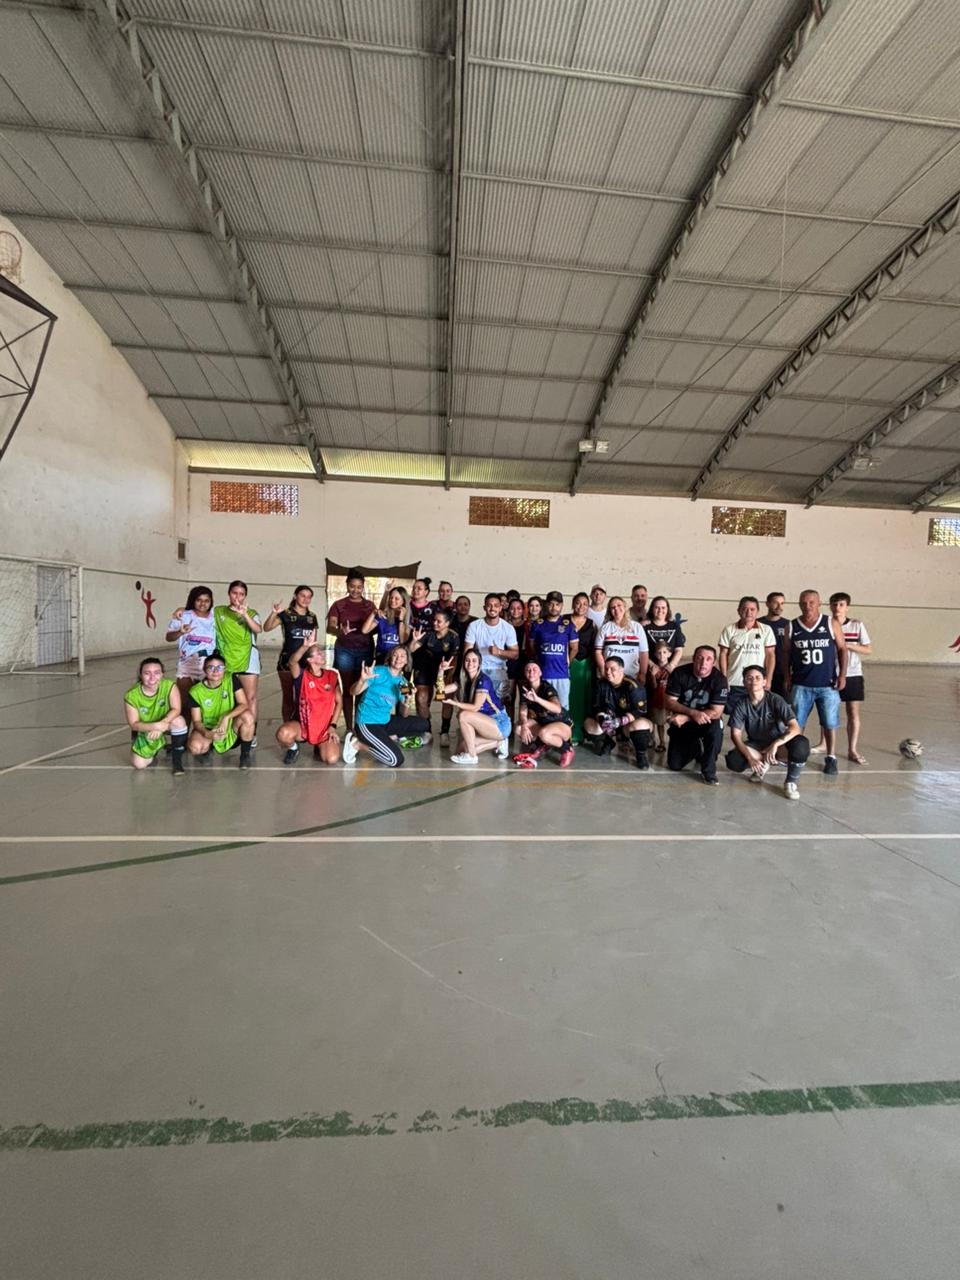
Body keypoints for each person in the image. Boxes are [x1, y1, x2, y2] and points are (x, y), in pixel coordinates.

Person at [784, 589, 847, 776]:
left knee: (829, 723)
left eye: (811, 602)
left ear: (819, 603)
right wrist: (787, 676)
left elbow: (842, 649)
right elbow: (786, 653)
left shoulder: (830, 623)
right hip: (801, 684)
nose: (807, 606)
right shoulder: (792, 626)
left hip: (827, 684)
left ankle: (831, 757)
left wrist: (842, 675)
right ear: (799, 604)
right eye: (803, 603)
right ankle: (796, 755)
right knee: (797, 723)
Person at [726, 665, 809, 800]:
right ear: (744, 682)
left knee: (801, 744)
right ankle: (763, 764)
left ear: (764, 682)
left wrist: (775, 744)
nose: (753, 681)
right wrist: (750, 758)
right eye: (749, 678)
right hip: (757, 745)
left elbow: (795, 727)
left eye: (757, 678)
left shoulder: (775, 699)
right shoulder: (741, 704)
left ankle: (790, 782)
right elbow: (735, 735)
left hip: (779, 744)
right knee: (733, 761)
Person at [343, 647, 430, 768]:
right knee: (395, 760)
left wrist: (407, 701)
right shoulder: (378, 672)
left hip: (385, 721)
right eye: (395, 655)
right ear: (390, 658)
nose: (398, 659)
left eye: (402, 656)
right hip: (367, 722)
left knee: (423, 724)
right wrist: (362, 680)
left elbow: (404, 714)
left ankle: (387, 737)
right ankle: (357, 744)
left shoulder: (404, 682)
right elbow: (353, 692)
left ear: (406, 661)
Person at [664, 645, 729, 785]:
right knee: (675, 765)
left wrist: (688, 716)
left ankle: (709, 772)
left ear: (714, 662)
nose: (703, 663)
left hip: (707, 721)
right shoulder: (679, 673)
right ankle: (696, 747)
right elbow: (669, 702)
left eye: (708, 659)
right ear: (693, 659)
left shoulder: (719, 679)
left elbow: (716, 712)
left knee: (716, 728)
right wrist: (692, 713)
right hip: (683, 722)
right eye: (700, 658)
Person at [275, 633, 342, 766]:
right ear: (310, 660)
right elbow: (292, 662)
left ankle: (319, 745)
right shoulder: (302, 676)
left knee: (331, 759)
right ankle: (293, 749)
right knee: (283, 734)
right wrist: (304, 647)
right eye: (318, 653)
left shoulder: (332, 675)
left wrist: (333, 726)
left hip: (324, 728)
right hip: (303, 727)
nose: (322, 654)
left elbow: (339, 703)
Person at [439, 648, 511, 765]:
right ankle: (499, 743)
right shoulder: (463, 680)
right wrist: (441, 671)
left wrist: (455, 703)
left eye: (474, 660)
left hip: (499, 723)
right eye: (467, 660)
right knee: (461, 750)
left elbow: (475, 708)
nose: (470, 663)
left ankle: (472, 756)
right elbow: (440, 692)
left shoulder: (483, 680)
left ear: (479, 663)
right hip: (484, 723)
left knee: (463, 715)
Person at [326, 569, 376, 732]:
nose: (355, 590)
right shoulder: (338, 605)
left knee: (361, 689)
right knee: (348, 689)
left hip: (365, 651)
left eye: (359, 587)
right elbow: (330, 627)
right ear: (347, 586)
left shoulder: (369, 606)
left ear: (363, 587)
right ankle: (349, 728)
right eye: (352, 586)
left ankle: (359, 726)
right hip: (345, 651)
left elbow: (376, 626)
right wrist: (340, 631)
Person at [213, 580, 263, 739]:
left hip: (248, 660)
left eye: (241, 594)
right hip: (226, 659)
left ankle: (251, 734)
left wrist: (245, 615)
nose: (237, 597)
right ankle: (226, 730)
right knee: (227, 698)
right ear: (229, 593)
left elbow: (258, 629)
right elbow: (200, 614)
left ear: (245, 596)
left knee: (250, 698)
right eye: (234, 593)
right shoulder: (218, 611)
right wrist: (181, 610)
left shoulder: (252, 613)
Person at [583, 655, 653, 769]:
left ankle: (641, 755)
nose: (608, 672)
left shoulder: (633, 686)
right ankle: (608, 742)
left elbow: (640, 710)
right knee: (588, 724)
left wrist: (621, 721)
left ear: (621, 670)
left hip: (627, 724)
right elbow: (596, 706)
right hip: (610, 722)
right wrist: (602, 721)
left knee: (642, 724)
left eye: (612, 669)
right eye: (606, 669)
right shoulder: (600, 684)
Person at [187, 652, 255, 768]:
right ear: (204, 669)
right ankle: (207, 750)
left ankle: (245, 754)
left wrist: (226, 717)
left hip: (229, 725)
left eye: (220, 667)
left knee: (248, 716)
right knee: (195, 747)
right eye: (211, 667)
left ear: (225, 669)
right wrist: (208, 734)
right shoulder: (195, 691)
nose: (216, 671)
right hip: (209, 727)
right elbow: (197, 721)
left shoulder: (230, 679)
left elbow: (244, 704)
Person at [262, 585, 318, 722]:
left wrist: (316, 660)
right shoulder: (286, 614)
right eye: (302, 595)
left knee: (304, 696)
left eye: (309, 597)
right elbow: (267, 628)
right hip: (287, 661)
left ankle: (303, 725)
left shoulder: (312, 617)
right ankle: (287, 726)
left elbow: (314, 641)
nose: (305, 599)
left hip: (306, 662)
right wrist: (274, 613)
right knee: (288, 696)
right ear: (295, 596)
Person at [124, 657, 188, 774]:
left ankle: (177, 762)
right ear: (140, 675)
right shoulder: (132, 695)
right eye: (147, 673)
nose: (152, 677)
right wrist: (155, 727)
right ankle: (152, 746)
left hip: (166, 722)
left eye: (157, 673)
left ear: (162, 674)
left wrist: (161, 725)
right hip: (146, 727)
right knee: (139, 764)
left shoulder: (169, 686)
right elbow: (134, 724)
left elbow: (176, 709)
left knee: (179, 721)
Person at [830, 591, 871, 765]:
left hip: (853, 673)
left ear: (847, 607)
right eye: (834, 604)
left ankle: (852, 749)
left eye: (841, 604)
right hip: (831, 674)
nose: (837, 607)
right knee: (829, 712)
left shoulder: (856, 625)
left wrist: (846, 646)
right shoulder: (826, 624)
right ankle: (825, 744)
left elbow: (868, 649)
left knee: (852, 712)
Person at [717, 596, 776, 711]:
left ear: (757, 611)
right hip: (734, 682)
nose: (749, 612)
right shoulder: (729, 629)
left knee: (756, 716)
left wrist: (768, 680)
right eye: (745, 609)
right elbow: (723, 654)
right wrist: (724, 679)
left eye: (752, 609)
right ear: (739, 611)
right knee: (734, 716)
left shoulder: (766, 629)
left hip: (757, 682)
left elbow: (770, 655)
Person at [513, 661, 575, 768]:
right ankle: (543, 744)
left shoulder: (547, 688)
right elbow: (523, 710)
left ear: (540, 673)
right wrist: (524, 724)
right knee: (519, 728)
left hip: (562, 725)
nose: (531, 672)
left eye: (534, 669)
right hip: (543, 722)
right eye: (528, 670)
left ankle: (567, 749)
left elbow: (557, 709)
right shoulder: (525, 688)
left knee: (544, 734)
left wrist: (537, 699)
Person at [165, 585, 216, 707]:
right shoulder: (184, 616)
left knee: (206, 701)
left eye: (206, 600)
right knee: (183, 700)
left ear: (211, 602)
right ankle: (183, 720)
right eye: (199, 600)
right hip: (187, 661)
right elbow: (168, 637)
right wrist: (180, 632)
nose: (203, 604)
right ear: (193, 600)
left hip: (208, 662)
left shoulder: (215, 617)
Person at [409, 606, 460, 729]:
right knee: (421, 698)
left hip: (443, 670)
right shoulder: (428, 634)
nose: (435, 623)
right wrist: (414, 640)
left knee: (446, 698)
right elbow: (411, 649)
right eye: (434, 620)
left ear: (447, 623)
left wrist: (449, 676)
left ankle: (444, 730)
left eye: (439, 621)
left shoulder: (453, 637)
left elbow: (454, 659)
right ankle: (427, 729)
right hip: (425, 668)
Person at [465, 593, 519, 704]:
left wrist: (499, 652)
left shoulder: (508, 628)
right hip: (478, 670)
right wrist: (470, 671)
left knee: (500, 706)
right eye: (489, 605)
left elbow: (515, 654)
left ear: (500, 608)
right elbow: (466, 652)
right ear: (484, 607)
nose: (492, 608)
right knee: (476, 706)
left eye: (496, 605)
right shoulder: (474, 626)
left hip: (499, 670)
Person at [529, 590, 579, 710]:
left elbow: (574, 648)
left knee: (562, 708)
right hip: (542, 675)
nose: (554, 607)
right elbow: (532, 646)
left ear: (562, 606)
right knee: (541, 708)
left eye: (557, 604)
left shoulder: (568, 625)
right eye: (551, 604)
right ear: (546, 605)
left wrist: (567, 663)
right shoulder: (537, 624)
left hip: (561, 675)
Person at [444, 595, 475, 746]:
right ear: (455, 606)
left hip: (469, 666)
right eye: (460, 604)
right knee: (447, 698)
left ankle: (467, 730)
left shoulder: (475, 623)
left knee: (467, 700)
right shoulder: (450, 622)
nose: (463, 607)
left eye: (466, 604)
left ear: (469, 606)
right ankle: (444, 731)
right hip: (451, 665)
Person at [595, 596, 649, 682]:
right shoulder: (605, 628)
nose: (616, 609)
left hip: (632, 676)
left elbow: (644, 653)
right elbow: (598, 652)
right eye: (613, 607)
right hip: (610, 677)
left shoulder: (637, 627)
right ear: (610, 611)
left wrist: (643, 673)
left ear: (625, 607)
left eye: (619, 605)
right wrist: (602, 670)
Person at [567, 591, 596, 745]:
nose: (581, 606)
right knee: (567, 698)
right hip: (564, 665)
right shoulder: (564, 620)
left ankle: (579, 732)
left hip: (584, 666)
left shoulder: (592, 624)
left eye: (585, 604)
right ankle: (566, 731)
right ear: (573, 604)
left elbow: (594, 647)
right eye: (578, 603)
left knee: (582, 700)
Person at [363, 584, 409, 664]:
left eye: (397, 599)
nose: (393, 600)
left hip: (396, 659)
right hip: (381, 656)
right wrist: (373, 613)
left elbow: (402, 641)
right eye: (391, 597)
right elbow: (364, 630)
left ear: (403, 601)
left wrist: (401, 620)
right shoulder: (383, 615)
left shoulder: (406, 619)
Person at [643, 596, 685, 672]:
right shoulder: (645, 627)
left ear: (667, 609)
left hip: (670, 670)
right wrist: (652, 665)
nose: (660, 610)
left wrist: (671, 665)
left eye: (663, 608)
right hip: (650, 670)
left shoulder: (674, 626)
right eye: (657, 607)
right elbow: (641, 651)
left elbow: (679, 650)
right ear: (652, 609)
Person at [762, 591, 791, 696]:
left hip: (782, 672)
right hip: (761, 671)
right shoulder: (758, 624)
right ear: (767, 604)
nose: (779, 607)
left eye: (782, 603)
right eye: (775, 603)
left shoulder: (788, 624)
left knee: (782, 703)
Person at [646, 640, 673, 753]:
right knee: (658, 722)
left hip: (669, 701)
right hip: (657, 700)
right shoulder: (653, 669)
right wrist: (652, 675)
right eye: (659, 652)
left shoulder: (672, 669)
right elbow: (653, 686)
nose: (662, 655)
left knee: (672, 722)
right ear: (655, 654)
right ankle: (660, 742)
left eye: (664, 652)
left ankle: (676, 742)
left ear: (669, 654)